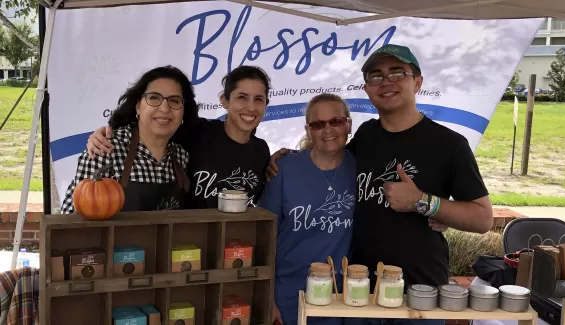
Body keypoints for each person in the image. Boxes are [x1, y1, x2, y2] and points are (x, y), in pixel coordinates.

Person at [267, 44, 493, 325]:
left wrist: (425, 203)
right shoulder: (366, 136)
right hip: (360, 291)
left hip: (417, 293)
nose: (386, 82)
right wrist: (285, 157)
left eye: (397, 73)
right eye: (376, 76)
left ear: (417, 82)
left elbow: (483, 218)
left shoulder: (449, 144)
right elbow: (328, 151)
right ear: (367, 89)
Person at [86, 65, 271, 209]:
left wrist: (284, 155)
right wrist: (102, 133)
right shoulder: (197, 132)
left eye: (258, 99)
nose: (251, 107)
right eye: (242, 97)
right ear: (224, 100)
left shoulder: (262, 151)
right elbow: (153, 128)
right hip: (186, 245)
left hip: (227, 250)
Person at [258, 93, 355, 325]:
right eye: (318, 124)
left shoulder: (362, 168)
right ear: (308, 130)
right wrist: (267, 299)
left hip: (341, 298)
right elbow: (264, 236)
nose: (328, 129)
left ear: (348, 124)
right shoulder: (283, 169)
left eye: (336, 121)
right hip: (289, 294)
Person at [61, 65, 197, 213]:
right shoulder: (106, 148)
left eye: (174, 100)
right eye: (154, 98)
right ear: (138, 106)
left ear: (183, 110)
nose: (164, 108)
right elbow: (73, 221)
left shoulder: (181, 156)